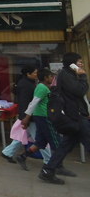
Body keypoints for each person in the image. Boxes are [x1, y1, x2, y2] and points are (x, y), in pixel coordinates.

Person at [38, 52, 90, 185]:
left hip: (74, 116)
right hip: (75, 116)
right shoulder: (66, 75)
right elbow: (79, 91)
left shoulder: (68, 75)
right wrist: (83, 76)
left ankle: (48, 171)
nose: (81, 64)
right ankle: (48, 171)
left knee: (65, 145)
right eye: (79, 62)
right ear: (72, 64)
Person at [18, 68, 75, 179]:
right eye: (50, 76)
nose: (52, 78)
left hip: (42, 116)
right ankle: (57, 166)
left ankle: (23, 156)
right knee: (57, 143)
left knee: (40, 142)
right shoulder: (42, 88)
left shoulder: (44, 87)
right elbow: (33, 103)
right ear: (45, 78)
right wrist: (26, 117)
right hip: (44, 117)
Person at [0, 66, 39, 164]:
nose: (36, 74)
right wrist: (25, 117)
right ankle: (50, 160)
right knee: (39, 139)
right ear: (28, 74)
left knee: (22, 136)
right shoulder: (26, 85)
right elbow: (25, 102)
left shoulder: (27, 83)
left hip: (28, 116)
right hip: (29, 116)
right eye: (34, 72)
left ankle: (7, 152)